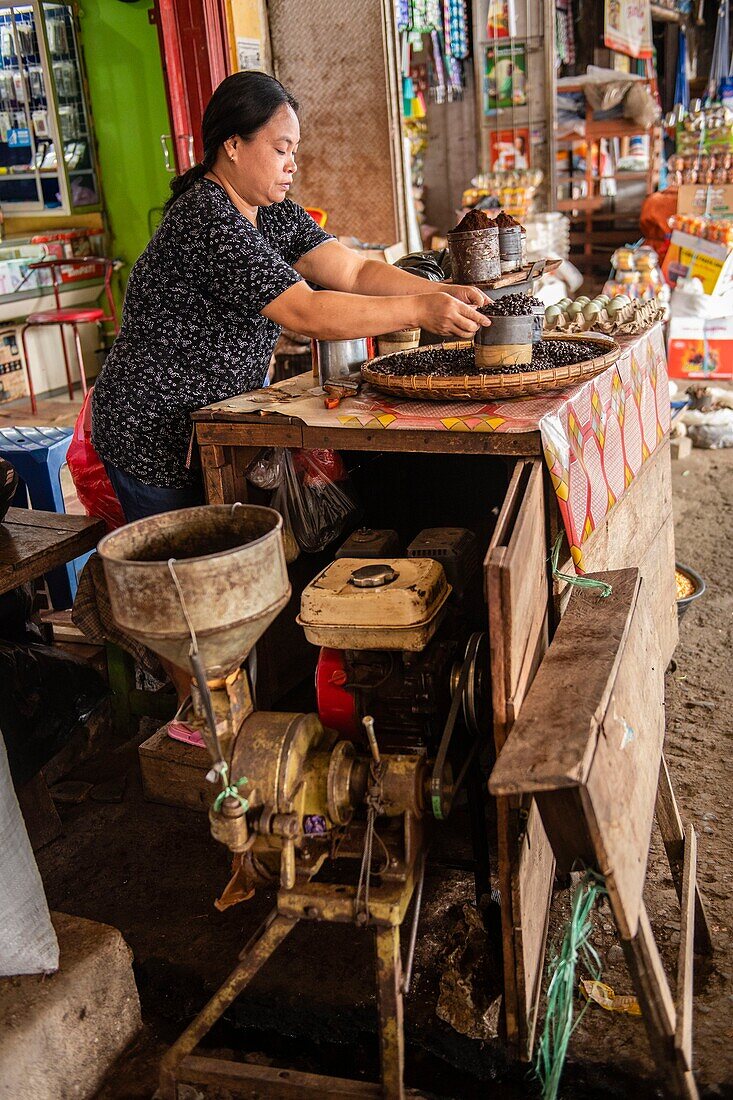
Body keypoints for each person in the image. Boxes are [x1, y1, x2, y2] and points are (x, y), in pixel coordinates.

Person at [91, 70, 490, 526]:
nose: (291, 164)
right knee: (186, 575)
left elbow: (352, 269)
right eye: (281, 150)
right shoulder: (207, 218)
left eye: (294, 152)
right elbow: (306, 311)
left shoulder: (269, 210)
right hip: (155, 434)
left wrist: (440, 291)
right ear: (233, 145)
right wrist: (420, 310)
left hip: (211, 423)